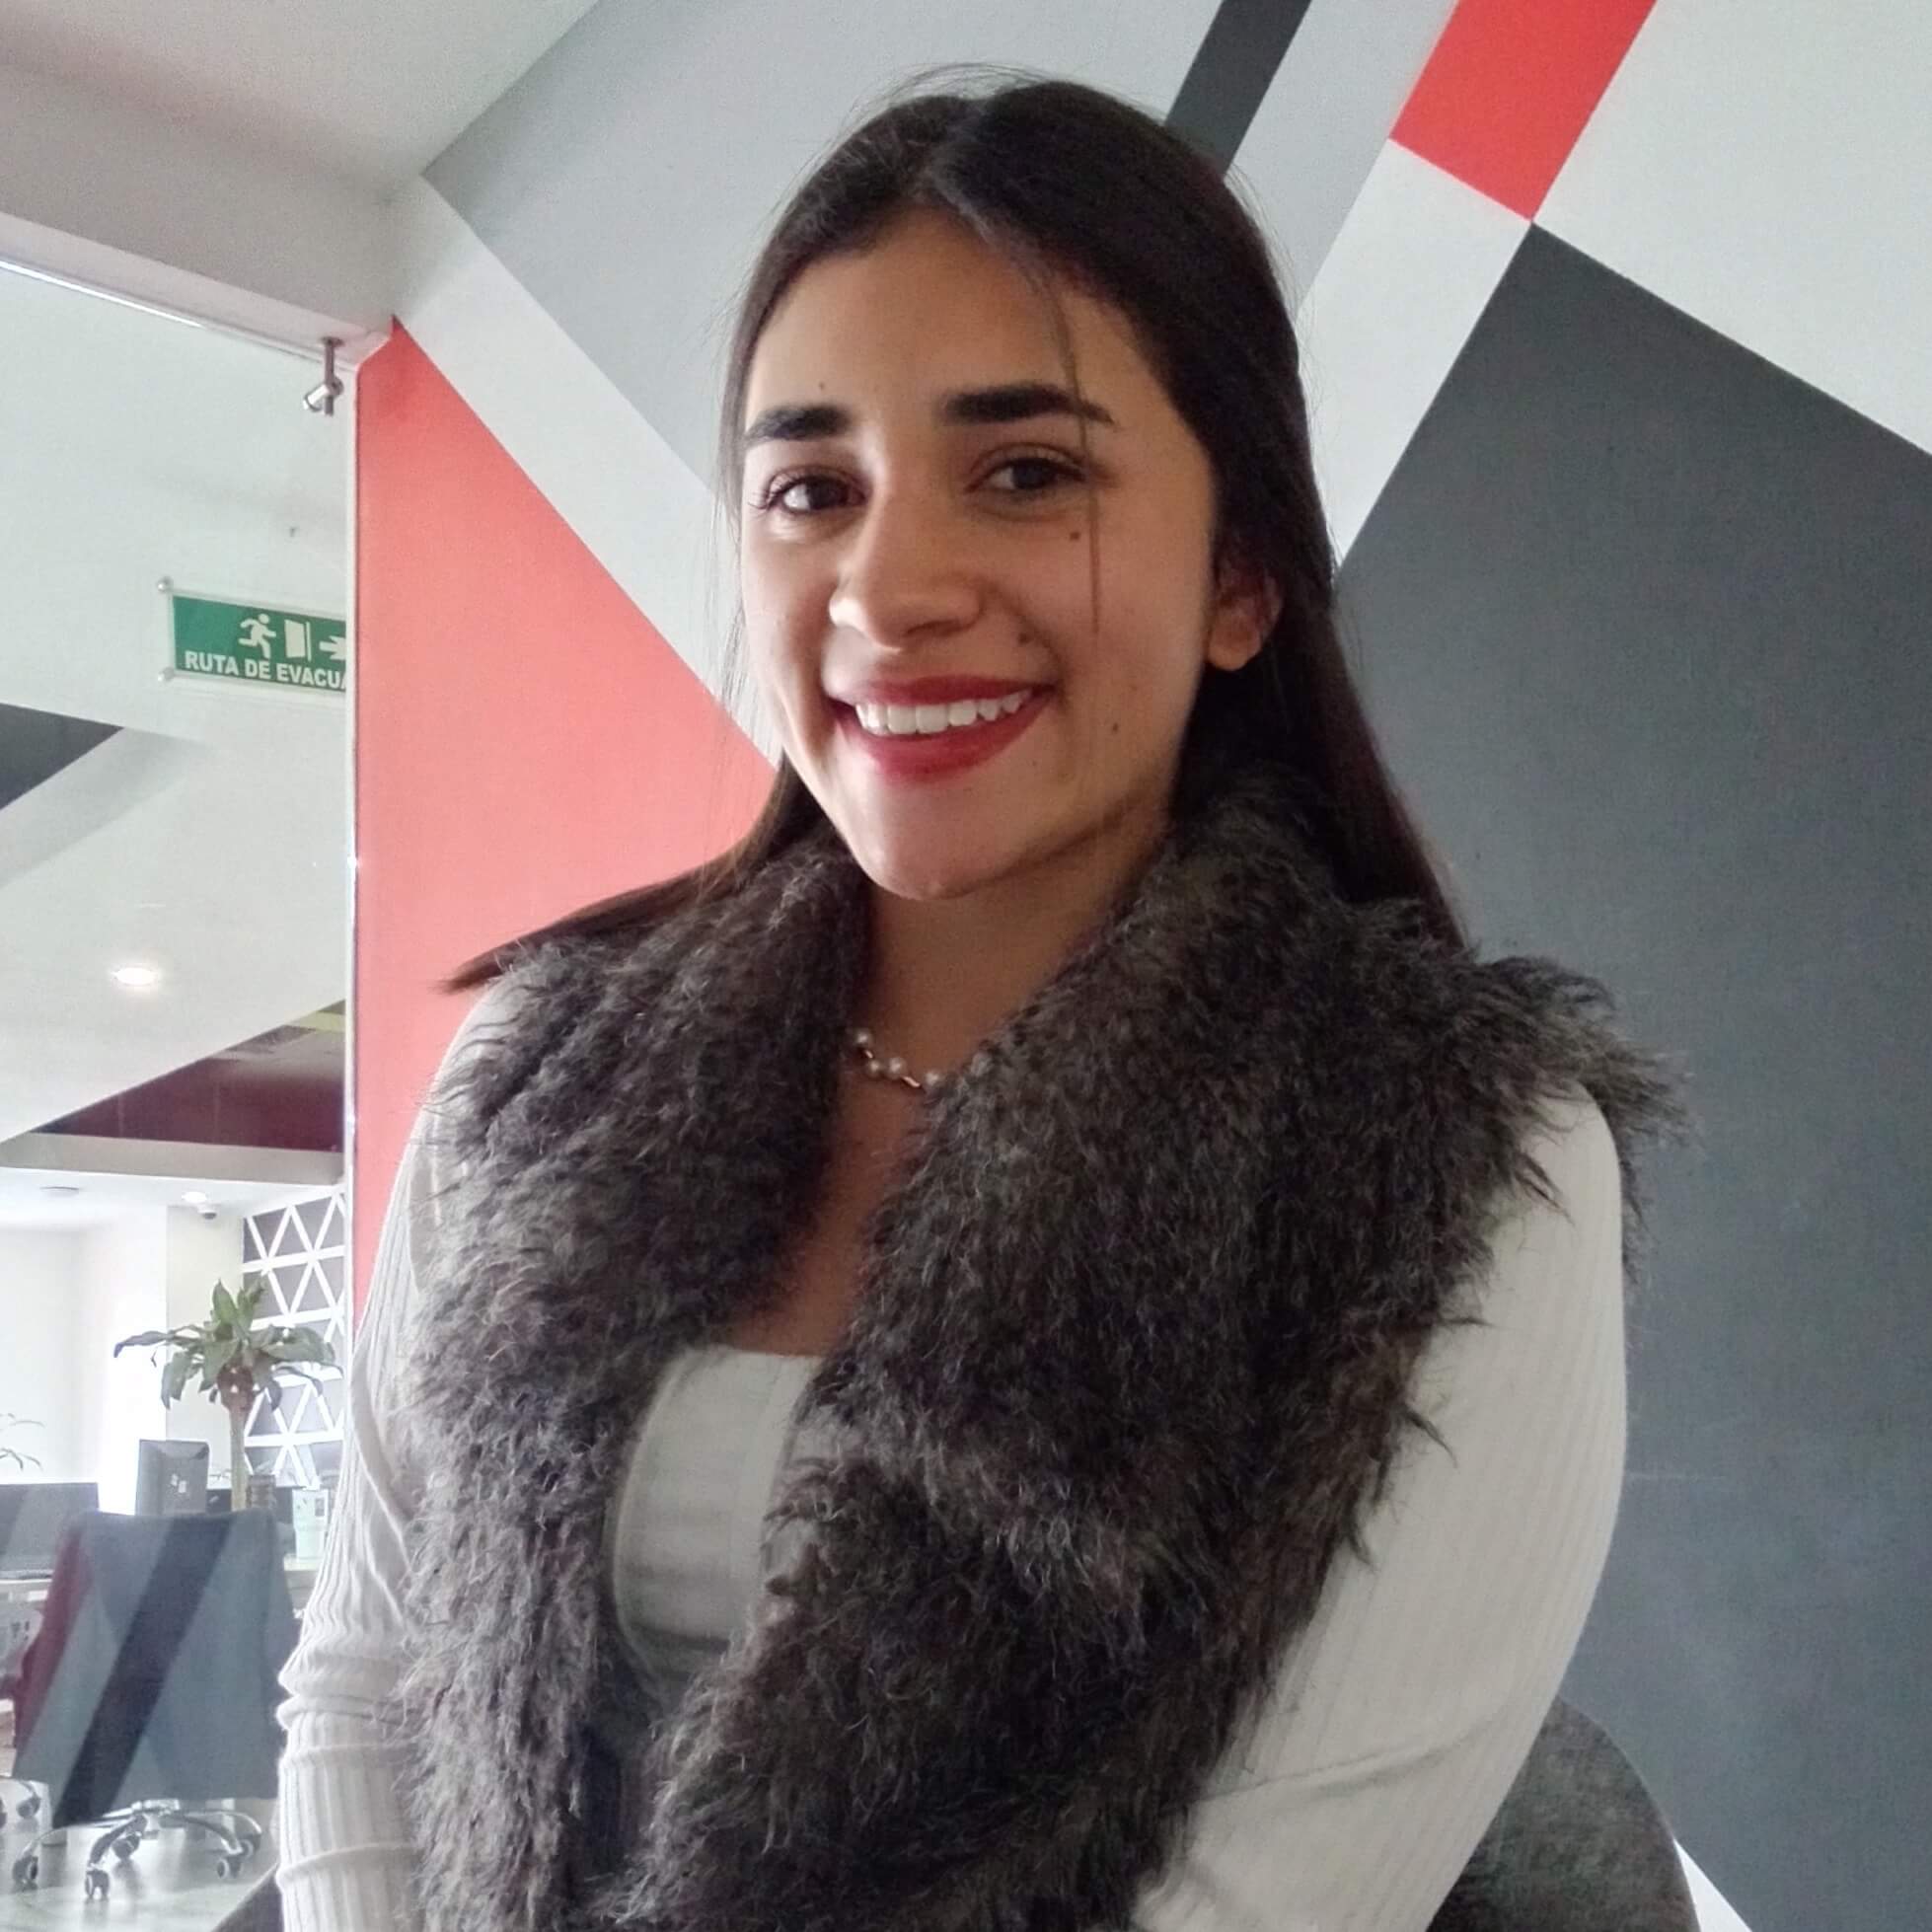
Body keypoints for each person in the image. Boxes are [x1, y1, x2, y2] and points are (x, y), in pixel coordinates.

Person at [274, 68, 1691, 1932]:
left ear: (1240, 576)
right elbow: (369, 1684)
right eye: (811, 490)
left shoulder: (1457, 1164)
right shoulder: (534, 1075)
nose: (888, 588)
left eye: (1025, 473)